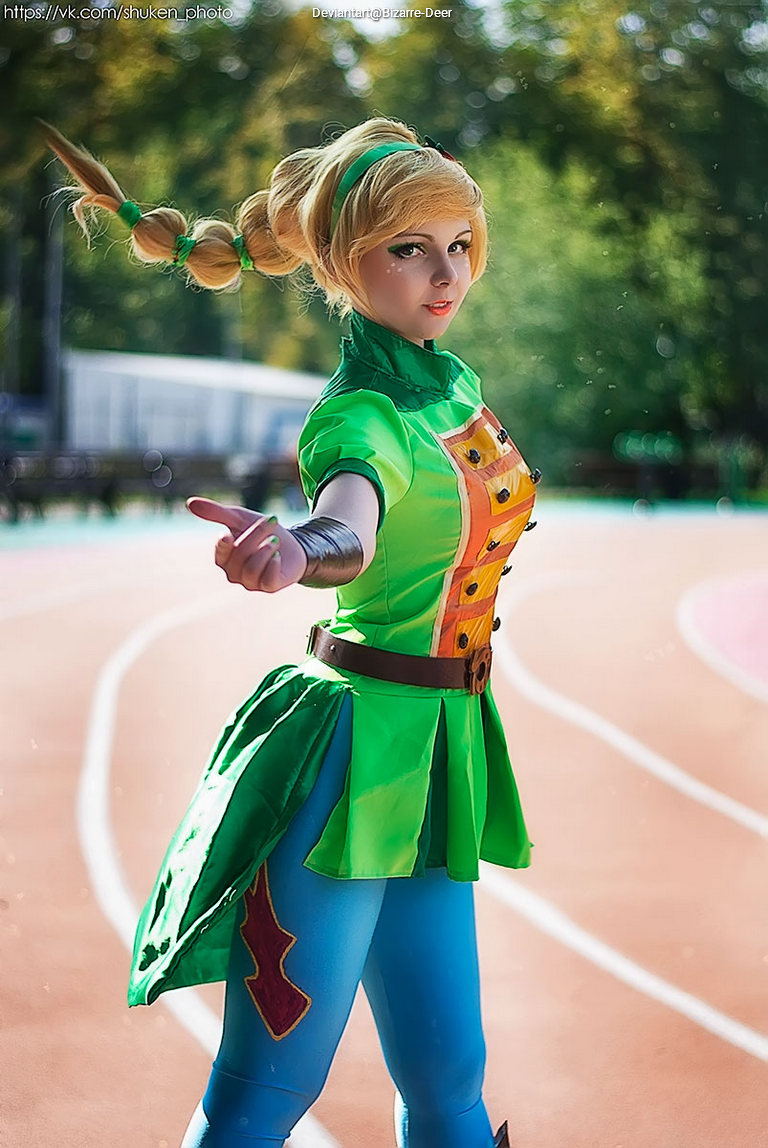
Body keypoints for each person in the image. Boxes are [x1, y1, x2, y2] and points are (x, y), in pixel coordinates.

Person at [44, 117, 541, 1148]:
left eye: (457, 243)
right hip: (351, 760)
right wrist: (296, 551)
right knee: (272, 1085)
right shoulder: (362, 417)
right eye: (410, 248)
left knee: (452, 1079)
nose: (443, 273)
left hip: (438, 753)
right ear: (343, 261)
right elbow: (347, 522)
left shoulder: (450, 386)